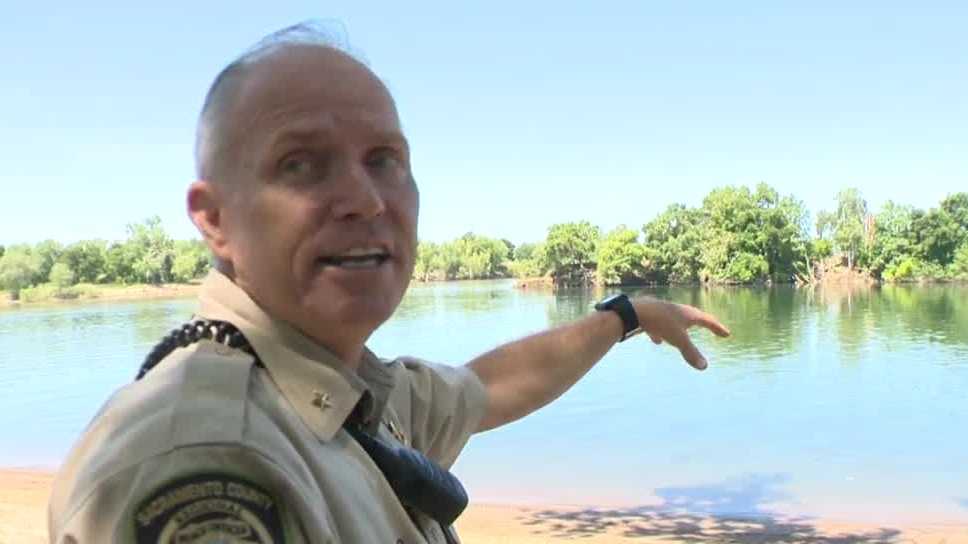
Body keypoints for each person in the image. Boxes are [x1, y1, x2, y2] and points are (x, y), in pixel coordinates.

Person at [47, 22, 730, 544]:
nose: (366, 200)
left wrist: (626, 316)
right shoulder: (212, 459)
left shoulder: (343, 393)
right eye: (302, 165)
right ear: (215, 219)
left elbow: (489, 387)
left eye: (384, 159)